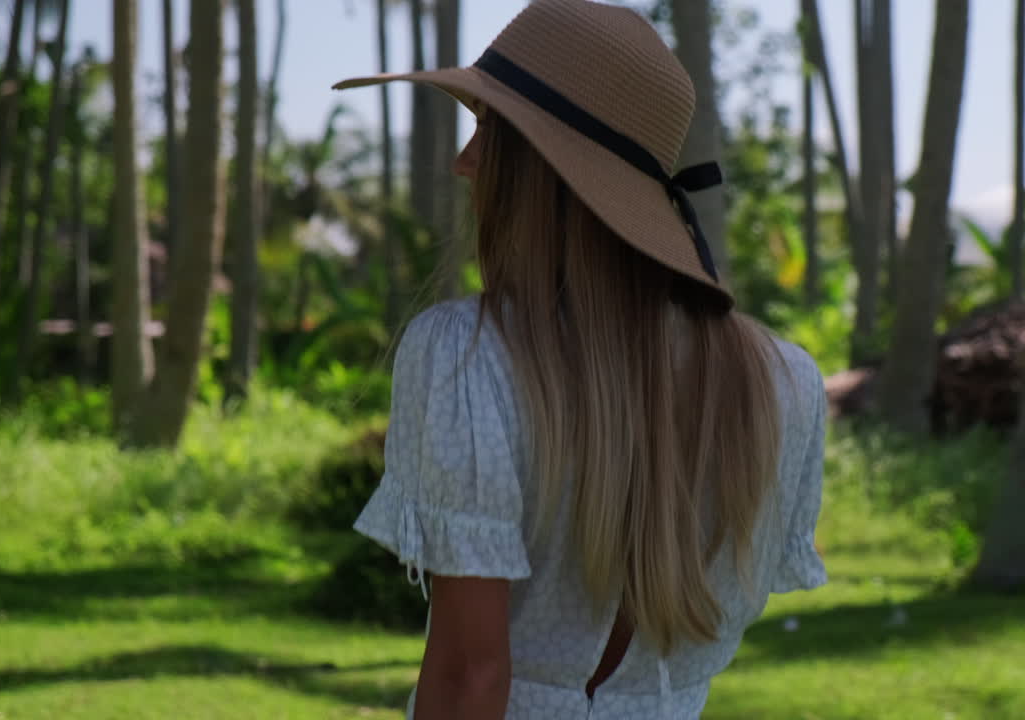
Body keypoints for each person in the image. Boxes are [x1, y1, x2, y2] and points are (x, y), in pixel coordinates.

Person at [333, 0, 827, 717]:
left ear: (543, 170)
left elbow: (471, 673)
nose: (464, 163)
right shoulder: (783, 382)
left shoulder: (469, 358)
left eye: (488, 131)